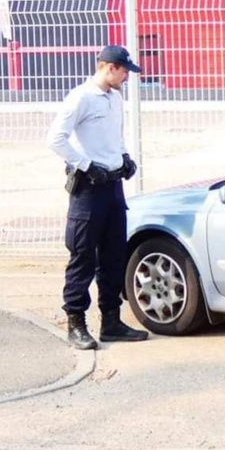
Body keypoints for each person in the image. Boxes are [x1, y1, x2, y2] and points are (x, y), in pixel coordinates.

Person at [47, 45, 148, 350]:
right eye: (124, 71)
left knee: (113, 256)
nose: (127, 76)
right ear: (109, 67)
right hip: (89, 190)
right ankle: (76, 323)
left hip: (113, 187)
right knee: (83, 256)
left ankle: (111, 322)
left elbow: (114, 137)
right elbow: (55, 139)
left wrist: (124, 158)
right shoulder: (81, 97)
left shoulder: (114, 97)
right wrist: (86, 165)